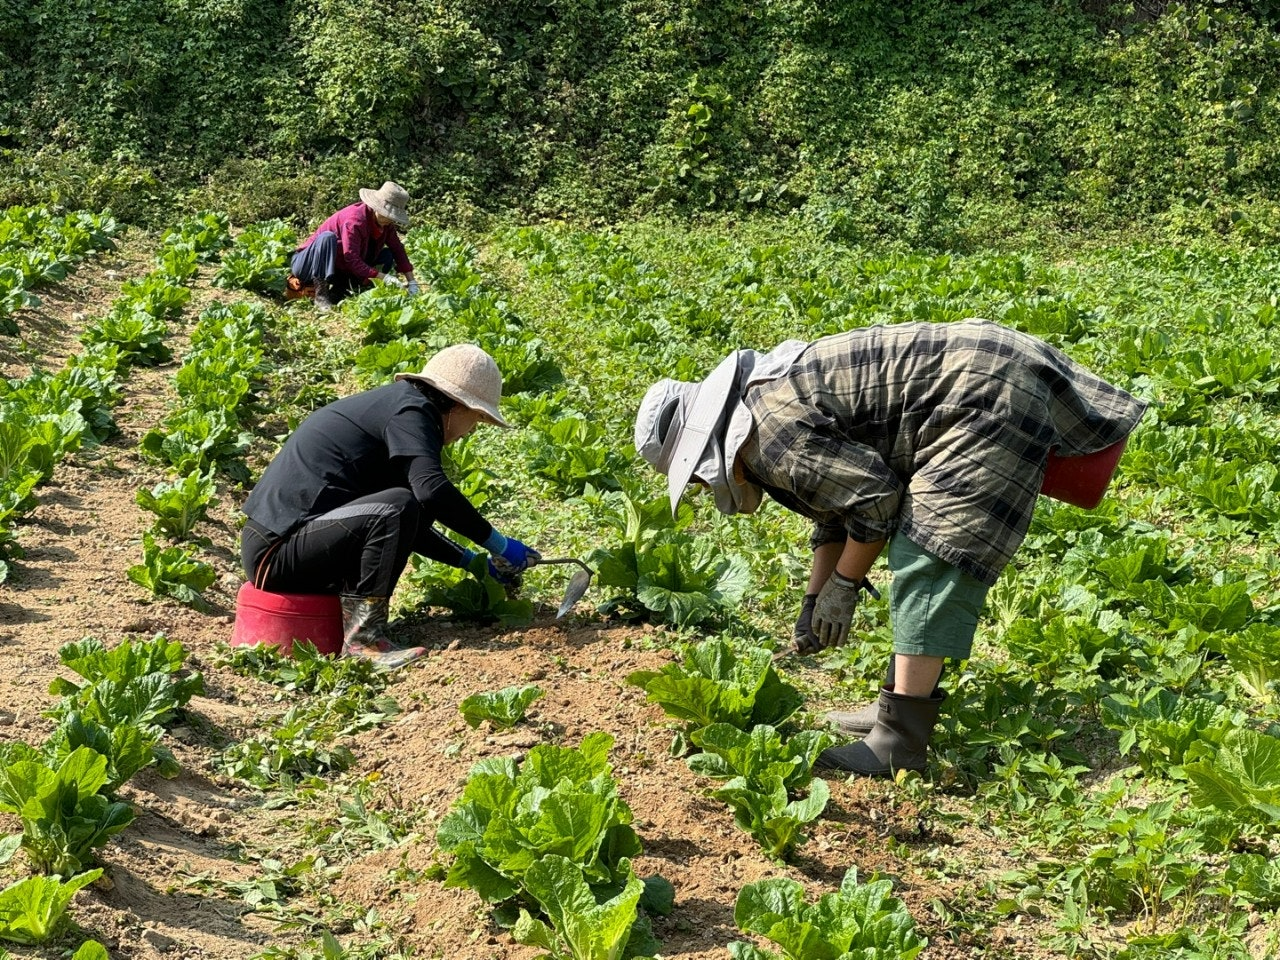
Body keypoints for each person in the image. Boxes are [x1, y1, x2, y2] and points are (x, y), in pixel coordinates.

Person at [633, 319, 1146, 777]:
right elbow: (837, 508)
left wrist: (845, 584)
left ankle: (898, 742)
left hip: (985, 394)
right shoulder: (761, 409)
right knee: (920, 543)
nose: (703, 484)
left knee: (928, 552)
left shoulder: (769, 437)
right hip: (983, 373)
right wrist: (814, 598)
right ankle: (894, 706)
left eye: (696, 475)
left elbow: (875, 500)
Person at [241, 344, 541, 670]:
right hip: (276, 552)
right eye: (477, 419)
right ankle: (364, 643)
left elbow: (407, 523)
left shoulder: (399, 407)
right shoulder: (412, 412)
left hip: (287, 547)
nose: (472, 431)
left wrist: (473, 562)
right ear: (457, 405)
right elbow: (429, 492)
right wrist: (499, 544)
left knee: (400, 505)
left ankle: (363, 635)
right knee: (399, 504)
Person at [289, 181, 421, 312]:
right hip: (308, 264)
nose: (389, 219)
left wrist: (412, 282)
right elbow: (351, 258)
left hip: (337, 266)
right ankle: (321, 296)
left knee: (387, 255)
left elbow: (397, 248)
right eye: (386, 214)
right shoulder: (355, 220)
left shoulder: (386, 225)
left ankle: (339, 291)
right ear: (376, 207)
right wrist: (383, 277)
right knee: (327, 238)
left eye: (392, 216)